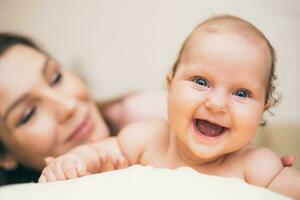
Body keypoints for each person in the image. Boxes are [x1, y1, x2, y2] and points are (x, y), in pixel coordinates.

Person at [39, 15, 300, 199]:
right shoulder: (146, 138)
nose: (217, 104)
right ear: (170, 85)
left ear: (263, 110)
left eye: (241, 93)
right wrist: (73, 162)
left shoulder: (258, 166)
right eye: (201, 81)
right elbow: (97, 153)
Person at [0, 33, 167, 185]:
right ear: (4, 158)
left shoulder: (150, 115)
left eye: (56, 78)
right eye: (29, 114)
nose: (68, 106)